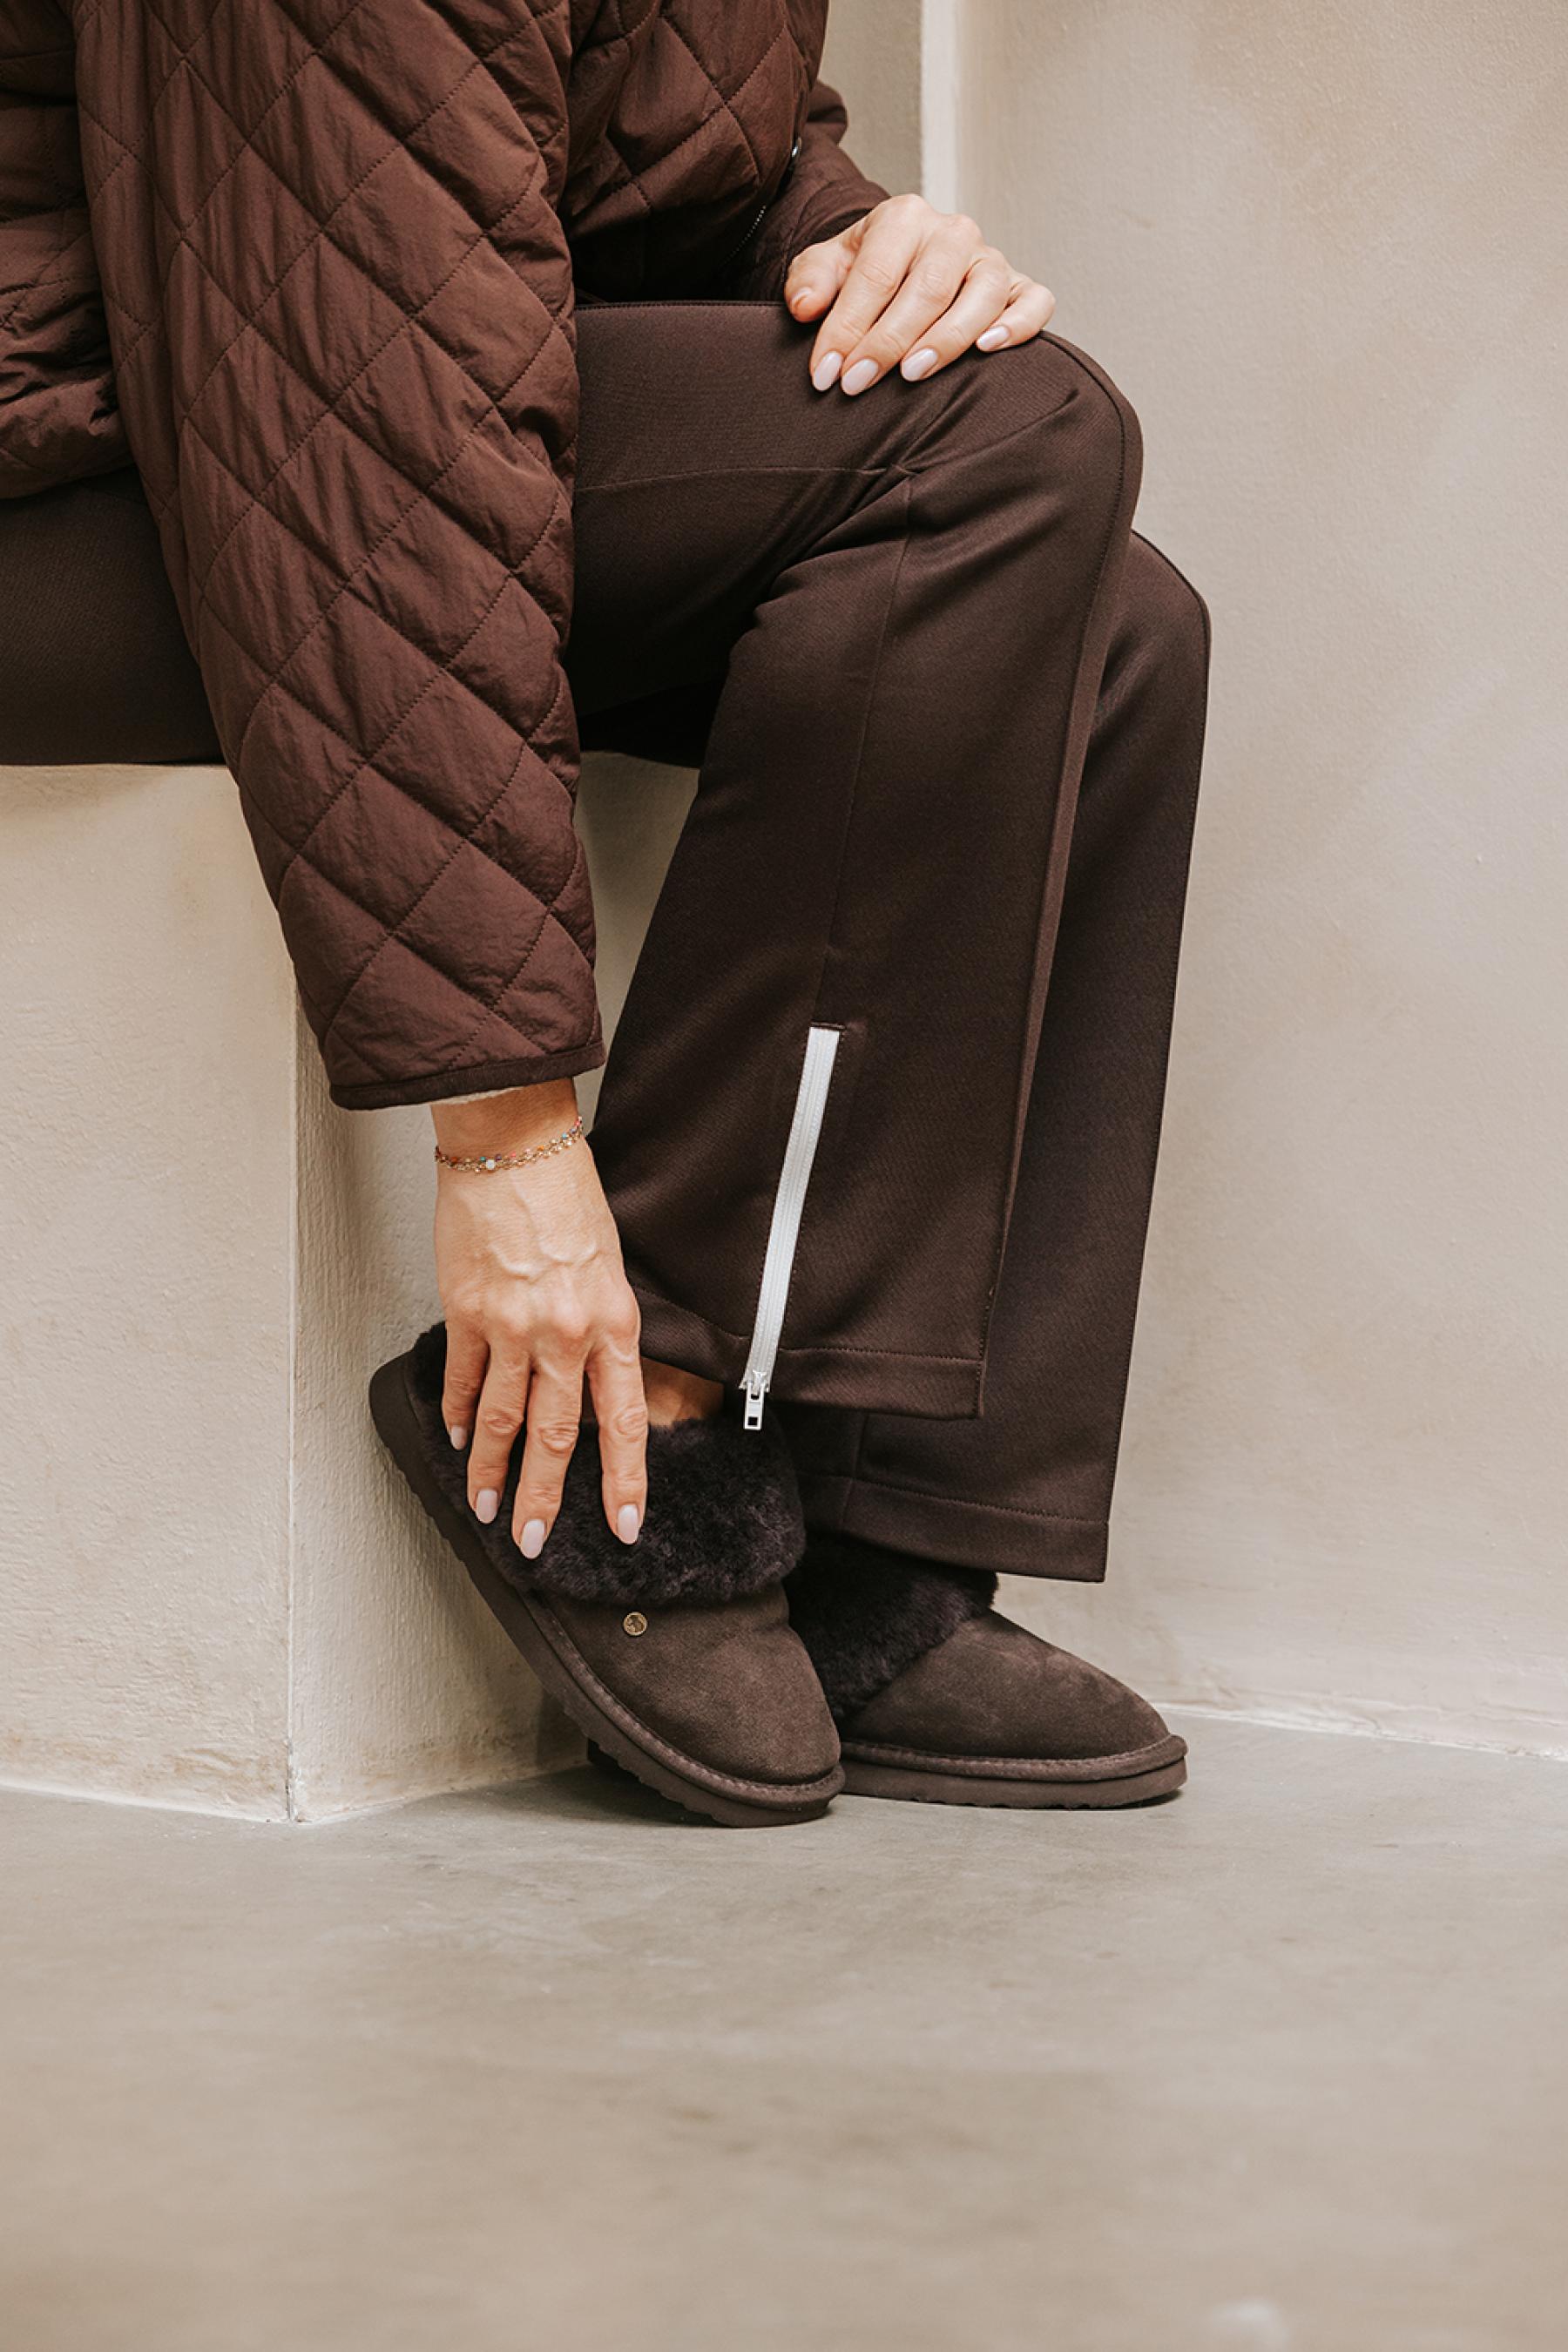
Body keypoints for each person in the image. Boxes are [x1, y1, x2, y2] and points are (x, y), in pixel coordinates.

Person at [0, 2, 1207, 1826]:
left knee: (1114, 620)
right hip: (110, 474)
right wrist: (506, 1140)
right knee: (1009, 444)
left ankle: (875, 1522)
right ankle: (656, 1434)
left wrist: (848, 238)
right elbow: (358, 436)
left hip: (393, 392)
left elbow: (650, 136)